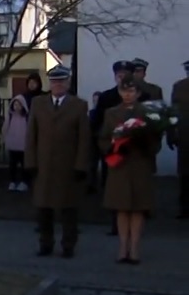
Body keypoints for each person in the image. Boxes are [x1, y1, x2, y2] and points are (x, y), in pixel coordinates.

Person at [24, 66, 90, 258]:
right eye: (54, 81)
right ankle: (46, 243)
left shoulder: (78, 105)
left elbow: (84, 139)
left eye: (61, 81)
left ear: (68, 83)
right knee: (44, 208)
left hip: (67, 165)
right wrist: (30, 163)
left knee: (69, 209)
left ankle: (68, 245)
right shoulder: (38, 103)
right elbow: (31, 136)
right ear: (49, 83)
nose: (57, 85)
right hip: (43, 165)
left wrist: (80, 165)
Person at [99, 76, 161, 265]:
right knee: (122, 208)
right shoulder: (111, 113)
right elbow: (102, 138)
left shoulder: (147, 113)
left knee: (137, 209)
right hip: (119, 166)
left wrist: (144, 143)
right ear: (119, 92)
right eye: (124, 91)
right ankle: (122, 247)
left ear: (138, 93)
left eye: (132, 91)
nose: (127, 94)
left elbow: (156, 140)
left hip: (139, 165)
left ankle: (134, 248)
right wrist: (112, 147)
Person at [172, 59, 189, 219]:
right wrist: (171, 134)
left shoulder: (179, 87)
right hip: (184, 136)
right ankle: (184, 208)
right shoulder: (179, 87)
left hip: (183, 135)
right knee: (184, 175)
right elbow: (173, 112)